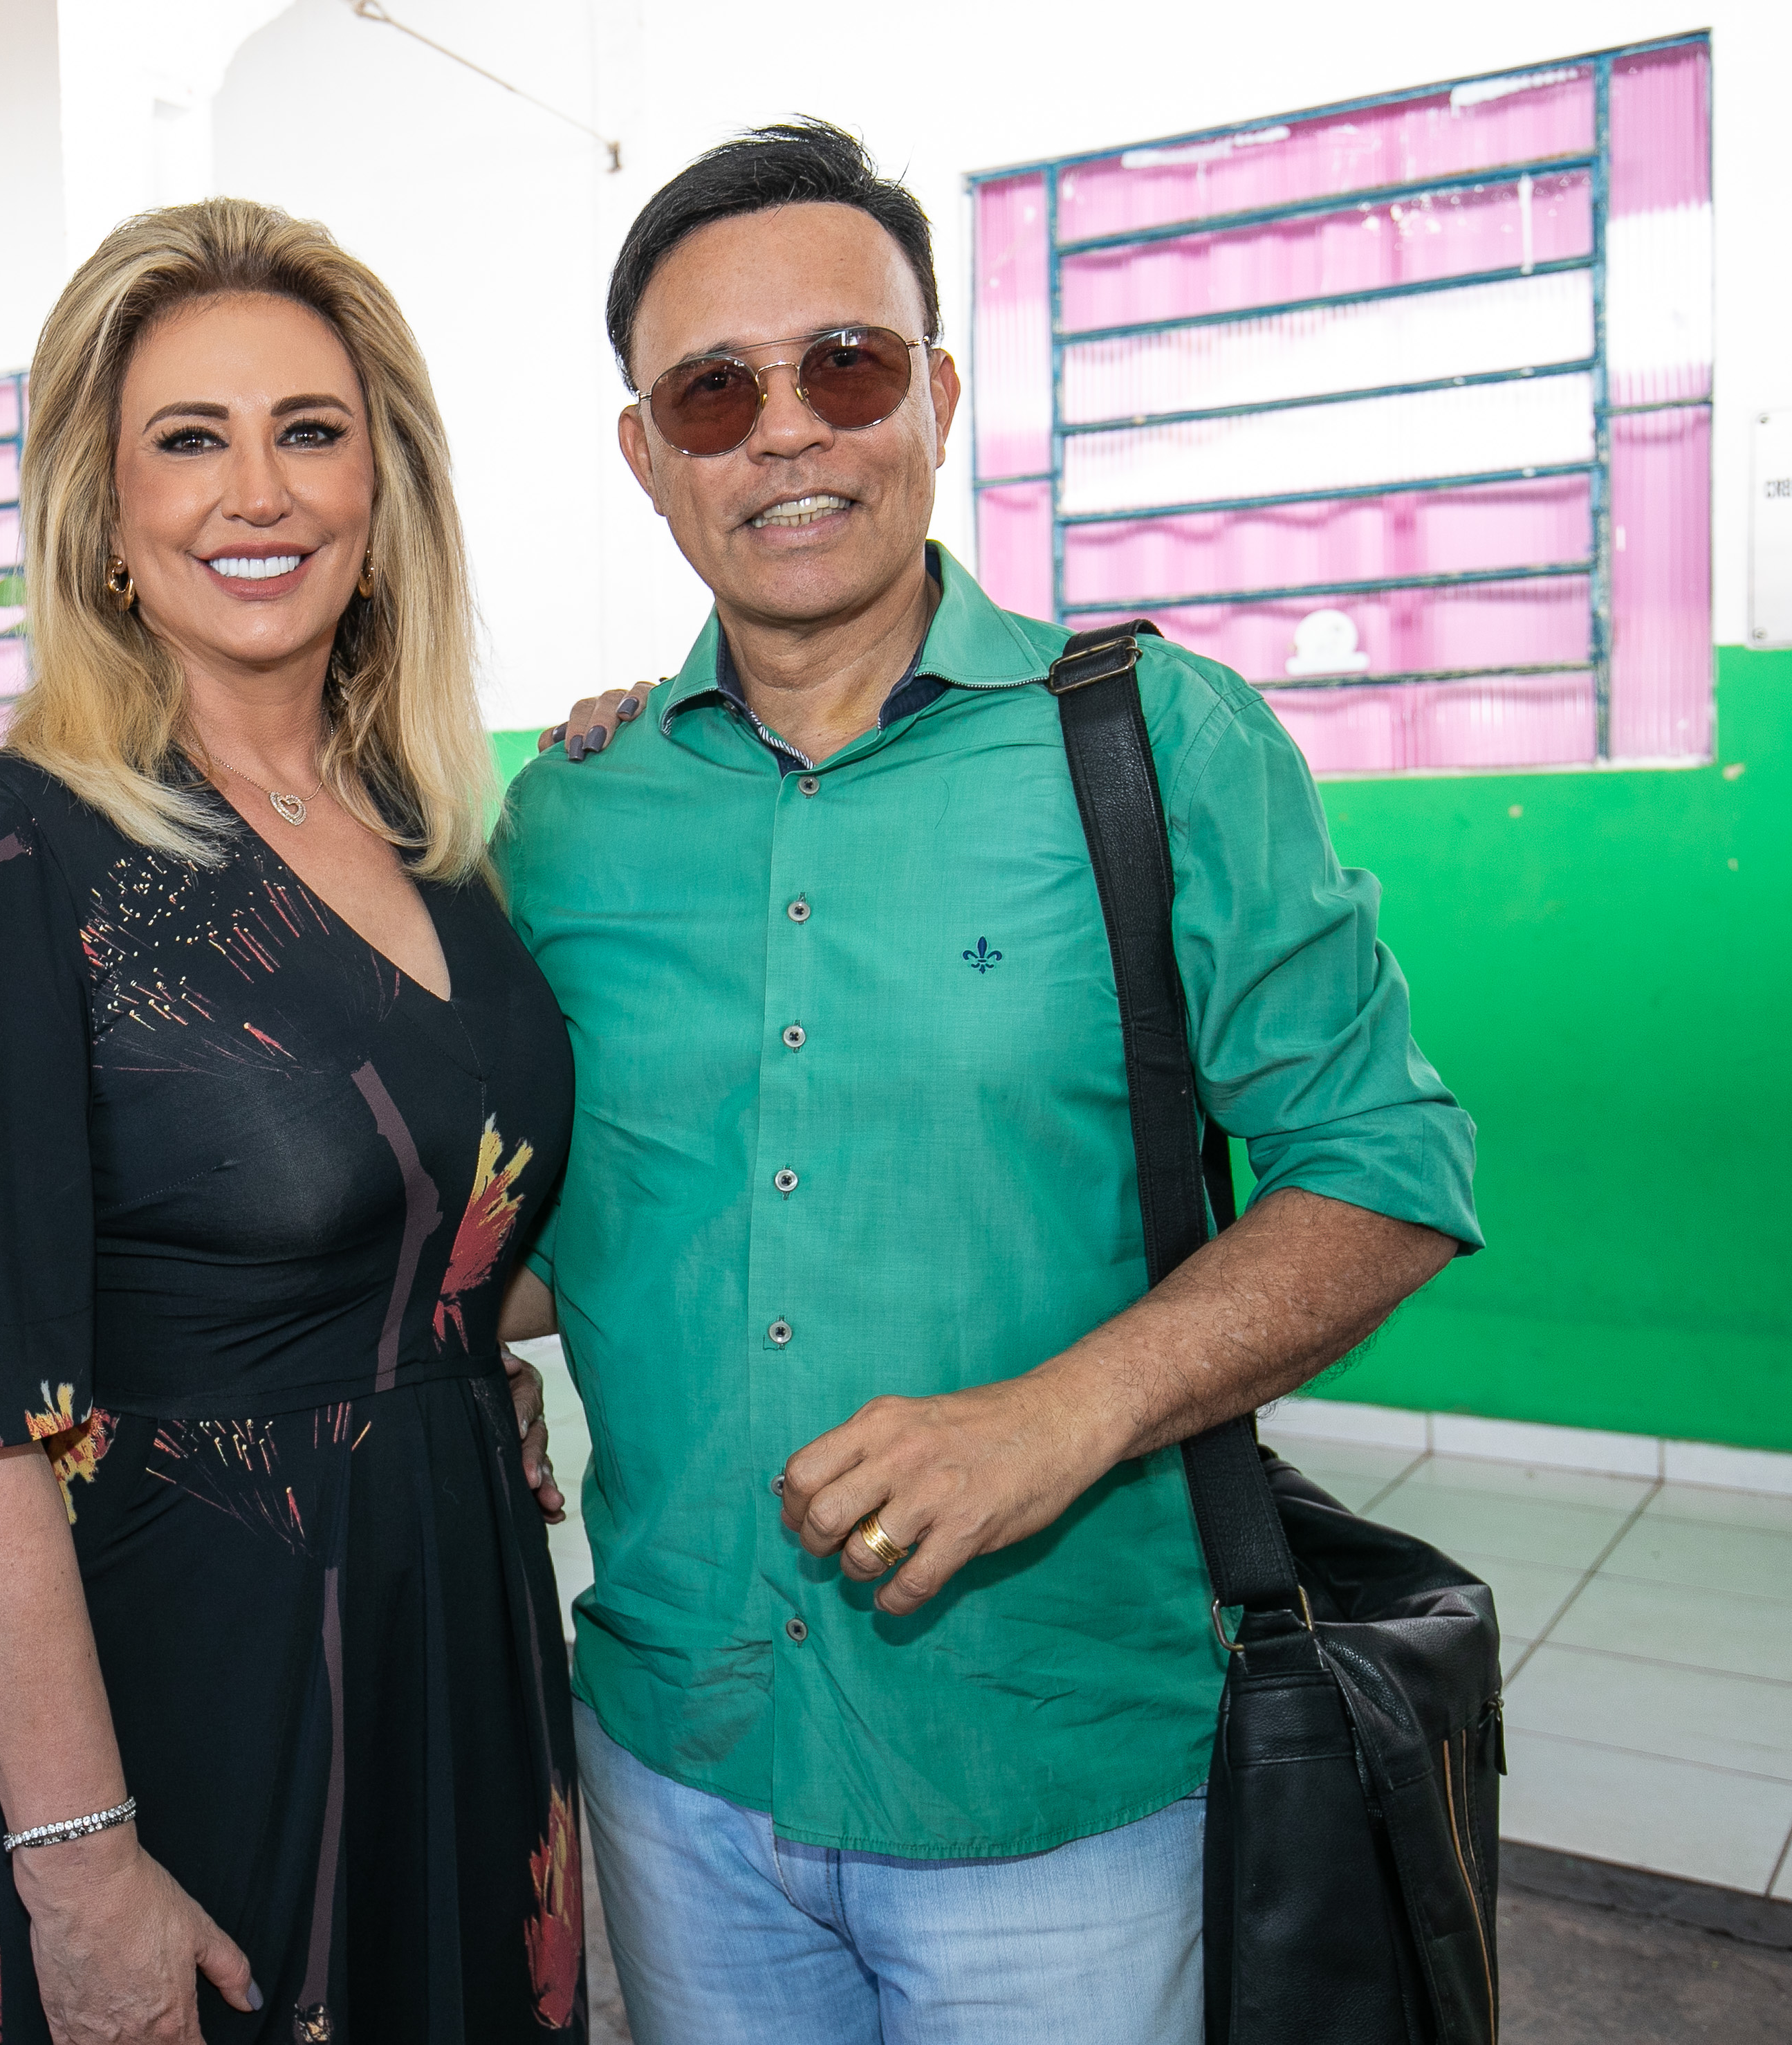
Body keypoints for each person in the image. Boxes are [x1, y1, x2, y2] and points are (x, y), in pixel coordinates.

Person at [494, 122, 1481, 2043]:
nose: (788, 430)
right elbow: (553, 1223)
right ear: (647, 453)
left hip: (1056, 1781)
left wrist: (1061, 1416)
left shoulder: (1152, 742)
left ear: (937, 395)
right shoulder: (570, 820)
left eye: (846, 365)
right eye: (715, 392)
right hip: (678, 1754)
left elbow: (1386, 1163)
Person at [0, 199, 586, 2045]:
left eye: (310, 430)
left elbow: (450, 1234)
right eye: (190, 439)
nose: (257, 492)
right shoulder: (13, 847)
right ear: (106, 513)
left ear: (383, 488)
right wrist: (80, 1863)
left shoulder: (437, 837)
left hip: (454, 1634)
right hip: (180, 1698)